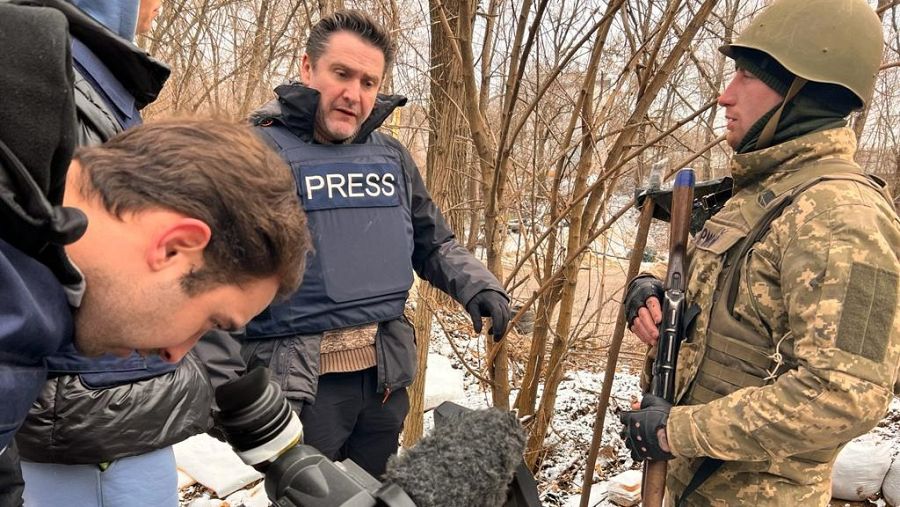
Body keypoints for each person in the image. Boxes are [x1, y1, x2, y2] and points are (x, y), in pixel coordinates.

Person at [619, 0, 900, 504]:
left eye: (747, 75)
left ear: (803, 91)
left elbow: (846, 395)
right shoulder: (762, 195)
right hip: (692, 487)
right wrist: (653, 290)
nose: (724, 95)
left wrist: (675, 432)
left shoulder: (845, 215)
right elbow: (726, 298)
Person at [241, 9, 511, 478]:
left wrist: (478, 285)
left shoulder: (391, 156)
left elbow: (433, 242)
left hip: (384, 380)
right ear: (307, 68)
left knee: (379, 495)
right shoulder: (255, 154)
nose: (354, 93)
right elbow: (214, 279)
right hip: (301, 384)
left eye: (368, 82)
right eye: (341, 74)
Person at [3, 1, 215, 506]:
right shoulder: (60, 70)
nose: (159, 6)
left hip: (114, 415)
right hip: (94, 420)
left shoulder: (104, 77)